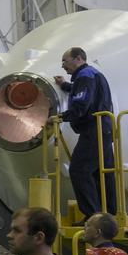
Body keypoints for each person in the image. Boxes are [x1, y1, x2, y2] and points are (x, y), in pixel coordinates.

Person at [54, 47, 116, 218]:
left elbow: (81, 105)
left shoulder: (85, 76)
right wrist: (65, 85)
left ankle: (93, 216)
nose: (63, 66)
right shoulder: (92, 75)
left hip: (94, 130)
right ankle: (110, 214)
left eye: (65, 61)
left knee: (79, 170)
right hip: (105, 128)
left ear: (78, 58)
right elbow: (84, 91)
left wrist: (59, 117)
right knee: (102, 172)